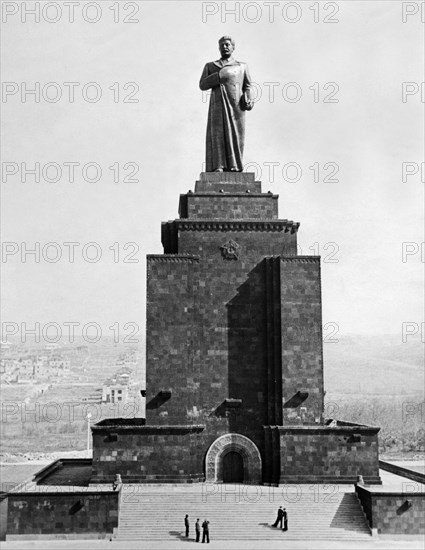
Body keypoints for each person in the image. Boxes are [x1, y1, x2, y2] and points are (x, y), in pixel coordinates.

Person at [199, 36, 253, 173]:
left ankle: (235, 165)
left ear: (233, 47)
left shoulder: (242, 66)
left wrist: (249, 98)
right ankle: (219, 165)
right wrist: (218, 77)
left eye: (227, 44)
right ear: (219, 48)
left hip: (236, 107)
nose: (225, 47)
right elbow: (203, 84)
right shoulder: (211, 66)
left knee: (236, 135)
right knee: (217, 134)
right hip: (218, 106)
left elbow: (248, 86)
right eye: (222, 45)